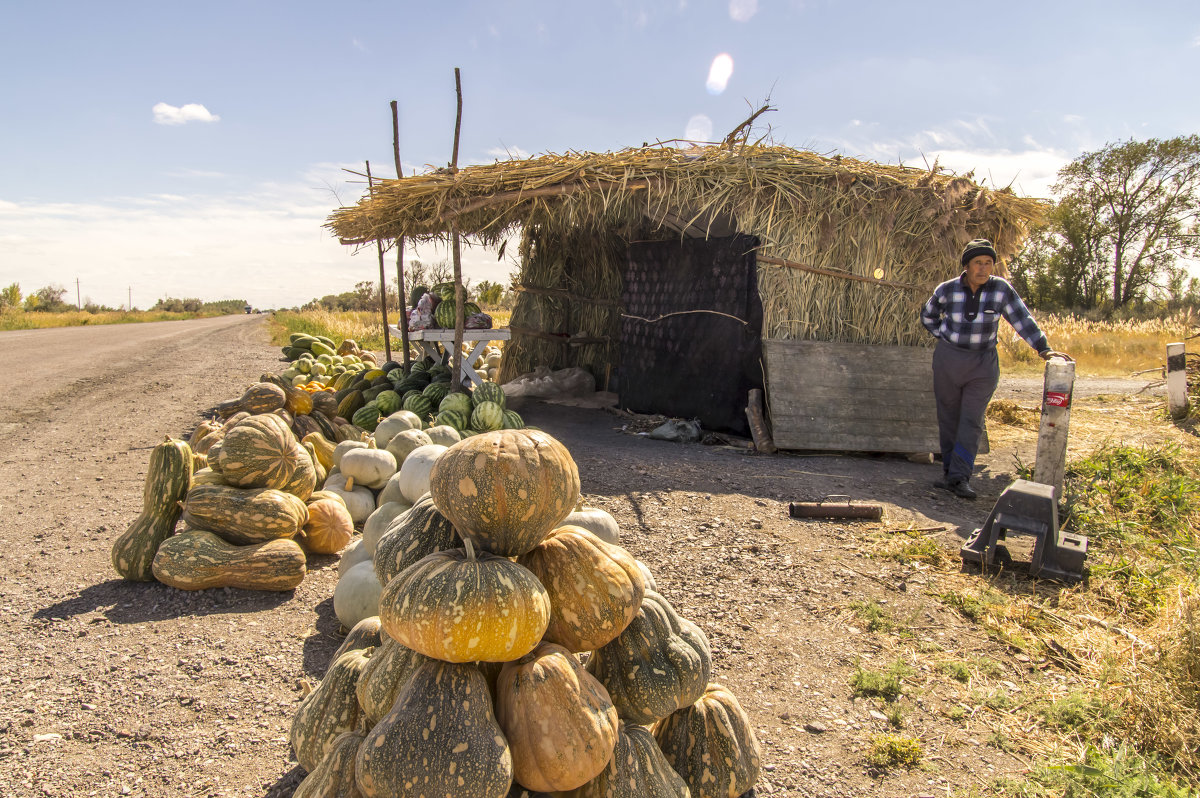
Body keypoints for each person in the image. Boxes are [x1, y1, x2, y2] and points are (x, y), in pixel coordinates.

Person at [920, 238, 1067, 499]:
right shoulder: (947, 290)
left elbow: (1021, 318)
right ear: (966, 265)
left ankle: (961, 477)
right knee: (949, 416)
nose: (984, 268)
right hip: (949, 360)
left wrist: (1043, 348)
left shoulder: (1001, 290)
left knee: (972, 419)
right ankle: (949, 473)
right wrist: (944, 334)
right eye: (978, 263)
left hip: (982, 364)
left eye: (988, 263)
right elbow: (928, 315)